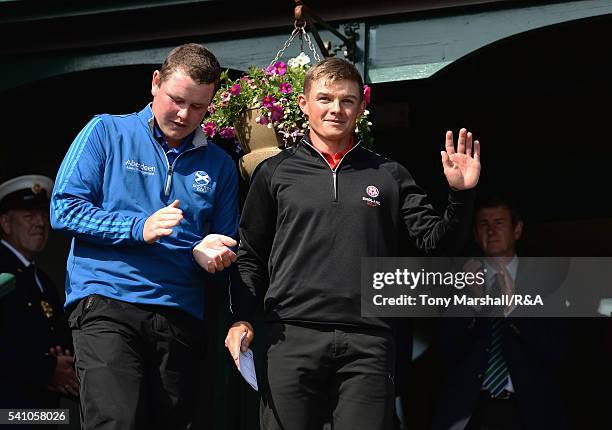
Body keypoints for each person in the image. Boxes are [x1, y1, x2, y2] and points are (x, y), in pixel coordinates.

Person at [225, 57, 481, 430]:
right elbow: (250, 255)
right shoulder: (274, 172)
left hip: (369, 343)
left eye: (347, 100)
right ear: (303, 104)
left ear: (361, 107)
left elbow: (435, 244)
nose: (336, 109)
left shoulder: (389, 174)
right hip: (290, 337)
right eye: (325, 98)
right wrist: (242, 317)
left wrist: (461, 195)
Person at [51, 43, 239, 430]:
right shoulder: (106, 130)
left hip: (180, 314)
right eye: (177, 100)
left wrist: (211, 254)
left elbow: (226, 243)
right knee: (115, 421)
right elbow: (64, 209)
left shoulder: (219, 164)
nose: (185, 114)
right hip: (107, 301)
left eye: (199, 107)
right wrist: (137, 227)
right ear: (156, 83)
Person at [432, 196, 570, 430]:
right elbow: (445, 351)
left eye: (499, 222)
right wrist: (474, 306)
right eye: (483, 224)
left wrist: (512, 309)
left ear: (517, 230)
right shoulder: (459, 283)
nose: (491, 230)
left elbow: (558, 350)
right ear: (476, 234)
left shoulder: (546, 281)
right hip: (469, 413)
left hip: (529, 411)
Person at [0, 175, 78, 416]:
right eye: (29, 216)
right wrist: (47, 368)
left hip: (40, 408)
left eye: (44, 216)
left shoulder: (41, 279)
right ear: (5, 223)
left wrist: (64, 363)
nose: (41, 223)